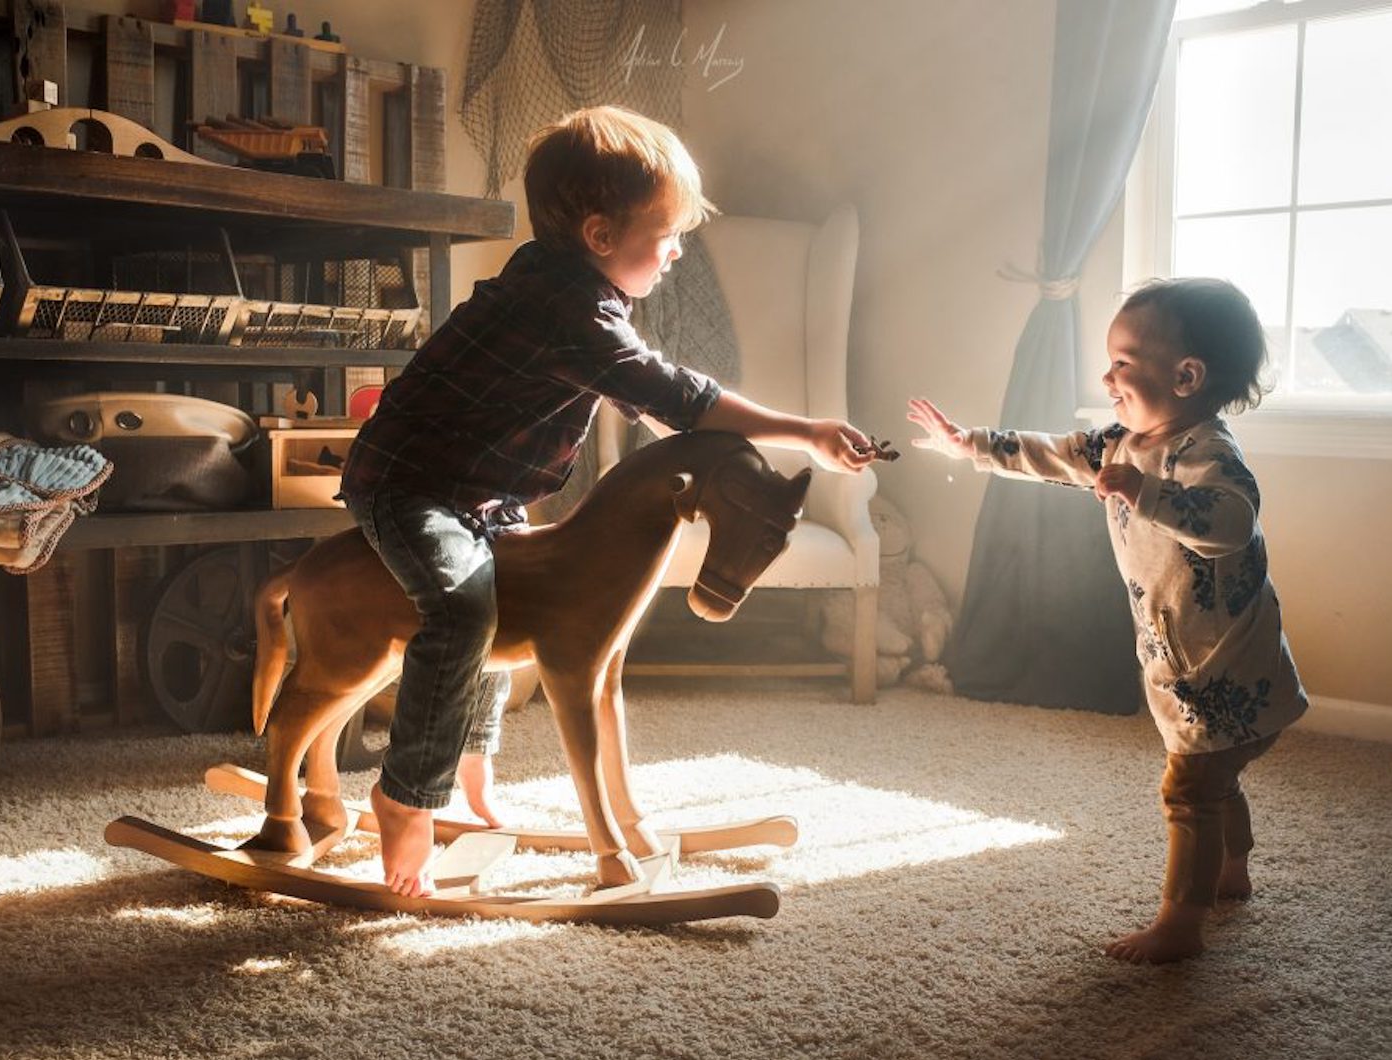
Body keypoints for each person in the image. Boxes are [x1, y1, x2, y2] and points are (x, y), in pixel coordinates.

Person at [338, 105, 877, 897]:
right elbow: (676, 396)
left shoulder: (569, 290)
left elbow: (663, 403)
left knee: (512, 594)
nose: (675, 252)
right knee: (462, 608)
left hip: (481, 494)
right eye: (665, 235)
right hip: (412, 483)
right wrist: (804, 431)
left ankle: (472, 754)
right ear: (599, 236)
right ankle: (405, 792)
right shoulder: (569, 311)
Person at [907, 277, 1307, 963]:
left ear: (1187, 376)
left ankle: (1182, 923)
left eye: (1124, 362)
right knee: (1216, 773)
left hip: (1226, 663)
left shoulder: (1210, 452)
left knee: (1190, 786)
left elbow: (1231, 523)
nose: (1107, 374)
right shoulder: (1121, 442)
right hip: (1182, 654)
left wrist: (1148, 493)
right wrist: (966, 443)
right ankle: (1233, 869)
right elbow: (1047, 453)